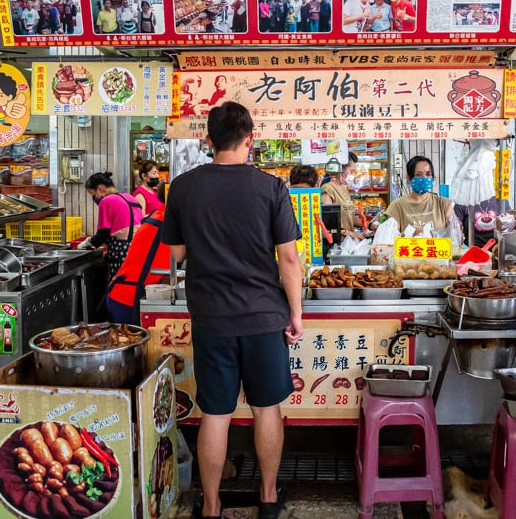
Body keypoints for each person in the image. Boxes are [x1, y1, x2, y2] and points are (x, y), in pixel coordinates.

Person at [162, 102, 302, 519]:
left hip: (211, 318)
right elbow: (289, 261)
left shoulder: (183, 188)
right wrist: (295, 314)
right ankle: (269, 496)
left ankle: (210, 505)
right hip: (263, 317)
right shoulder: (271, 188)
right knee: (267, 409)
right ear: (250, 140)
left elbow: (178, 253)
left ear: (208, 141)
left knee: (216, 415)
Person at [81, 171, 144, 290]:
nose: (94, 199)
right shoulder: (130, 198)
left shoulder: (107, 201)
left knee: (117, 290)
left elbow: (103, 234)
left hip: (121, 255)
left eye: (93, 194)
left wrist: (88, 242)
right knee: (133, 290)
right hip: (139, 252)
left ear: (100, 189)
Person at [383, 155, 455, 233]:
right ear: (409, 178)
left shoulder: (443, 204)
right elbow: (391, 238)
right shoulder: (397, 206)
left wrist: (429, 232)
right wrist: (410, 233)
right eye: (418, 175)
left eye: (428, 174)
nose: (424, 178)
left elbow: (456, 236)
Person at [321, 153, 363, 240]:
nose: (353, 175)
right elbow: (328, 223)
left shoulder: (344, 189)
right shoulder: (328, 188)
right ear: (340, 170)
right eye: (351, 171)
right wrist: (349, 233)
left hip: (347, 242)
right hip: (335, 243)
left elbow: (349, 217)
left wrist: (369, 224)